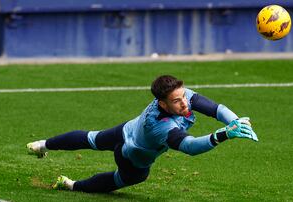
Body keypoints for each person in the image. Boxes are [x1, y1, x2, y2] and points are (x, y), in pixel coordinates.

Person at [26, 75, 258, 193]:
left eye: (184, 97)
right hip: (132, 154)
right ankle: (71, 185)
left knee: (91, 138)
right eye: (177, 101)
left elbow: (216, 109)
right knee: (128, 178)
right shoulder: (161, 127)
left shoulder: (179, 95)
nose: (184, 103)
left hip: (126, 129)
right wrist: (223, 135)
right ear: (163, 104)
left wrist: (236, 121)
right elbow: (189, 147)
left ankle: (41, 145)